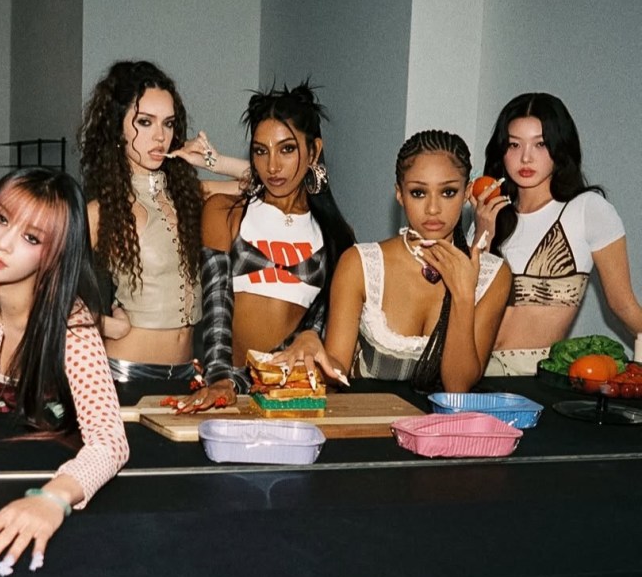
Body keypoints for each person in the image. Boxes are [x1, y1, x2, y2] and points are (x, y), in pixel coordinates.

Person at [0, 167, 129, 573]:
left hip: (40, 466)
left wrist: (52, 497)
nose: (2, 243)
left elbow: (110, 440)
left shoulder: (69, 317)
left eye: (32, 238)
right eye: (0, 218)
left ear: (55, 253)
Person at [274, 130, 511, 393]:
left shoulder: (493, 275)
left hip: (444, 420)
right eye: (418, 193)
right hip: (369, 416)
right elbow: (337, 371)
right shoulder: (360, 264)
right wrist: (312, 345)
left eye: (448, 192)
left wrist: (464, 296)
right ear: (400, 194)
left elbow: (457, 387)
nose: (433, 208)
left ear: (467, 193)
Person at [179, 81, 355, 411]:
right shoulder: (224, 212)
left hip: (292, 398)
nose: (272, 166)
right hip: (224, 393)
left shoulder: (337, 238)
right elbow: (216, 311)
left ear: (314, 150)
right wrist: (222, 380)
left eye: (286, 149)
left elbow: (321, 341)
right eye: (261, 151)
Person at [79, 60, 248, 382]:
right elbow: (42, 295)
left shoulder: (189, 197)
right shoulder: (102, 211)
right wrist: (103, 324)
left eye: (168, 124)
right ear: (116, 127)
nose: (160, 136)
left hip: (187, 373)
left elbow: (269, 183)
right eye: (145, 122)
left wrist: (213, 161)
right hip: (124, 373)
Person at [473, 92, 642, 376]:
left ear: (559, 147)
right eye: (514, 144)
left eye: (540, 144)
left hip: (533, 377)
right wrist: (482, 235)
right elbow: (462, 306)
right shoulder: (489, 214)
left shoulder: (588, 209)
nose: (526, 157)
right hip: (470, 369)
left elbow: (624, 306)